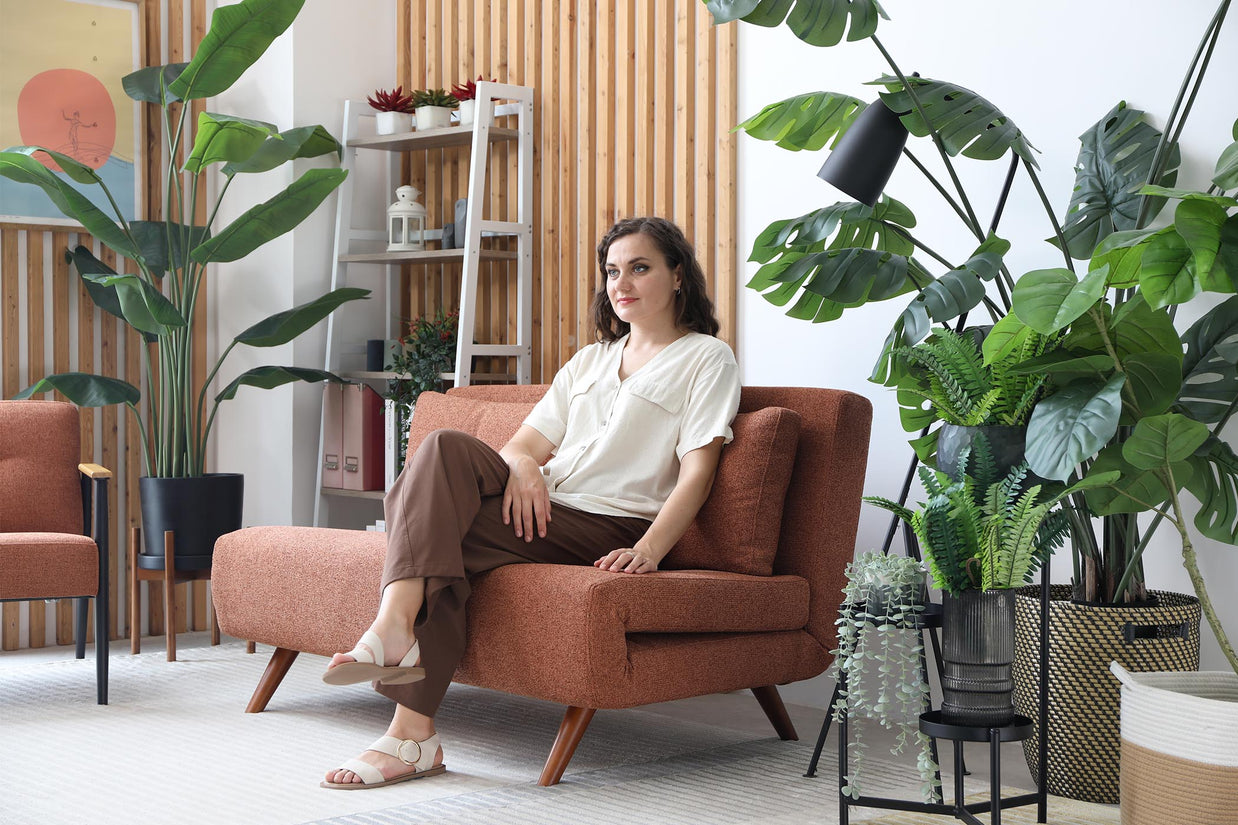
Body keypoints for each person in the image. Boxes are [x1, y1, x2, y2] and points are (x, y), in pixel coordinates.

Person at [320, 216, 741, 790]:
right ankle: (398, 646)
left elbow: (699, 470)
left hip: (608, 521)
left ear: (678, 278)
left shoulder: (707, 359)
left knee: (434, 531)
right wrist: (524, 471)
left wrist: (650, 549)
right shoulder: (589, 362)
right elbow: (524, 445)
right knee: (443, 450)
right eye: (613, 271)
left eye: (640, 268)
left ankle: (409, 728)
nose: (622, 283)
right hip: (549, 506)